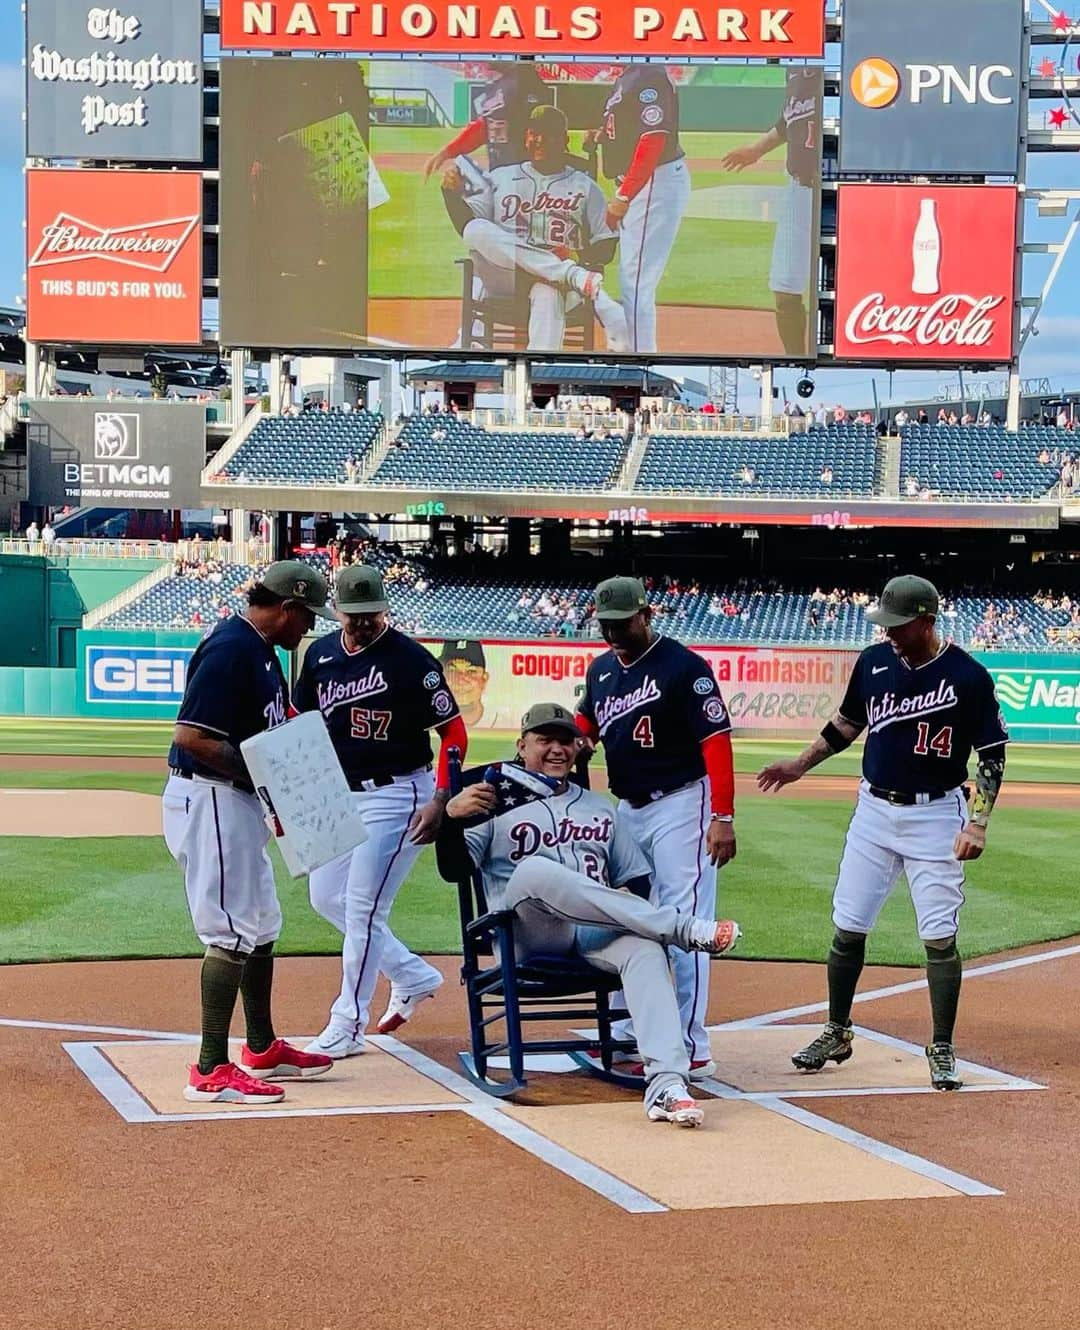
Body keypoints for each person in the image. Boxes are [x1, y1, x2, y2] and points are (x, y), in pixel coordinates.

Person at [757, 575, 1009, 1091]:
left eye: (899, 624)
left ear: (927, 621)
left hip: (936, 815)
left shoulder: (968, 677)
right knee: (847, 925)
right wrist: (800, 765)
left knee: (938, 936)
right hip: (873, 810)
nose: (889, 632)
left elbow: (992, 754)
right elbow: (845, 726)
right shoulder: (873, 662)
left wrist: (978, 822)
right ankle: (836, 1029)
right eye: (885, 623)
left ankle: (940, 1046)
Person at [444, 702, 740, 1127]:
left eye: (566, 740)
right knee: (537, 870)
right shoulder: (491, 801)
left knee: (643, 947)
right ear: (521, 746)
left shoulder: (600, 807)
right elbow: (454, 870)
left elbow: (635, 881)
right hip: (529, 934)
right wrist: (453, 820)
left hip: (592, 934)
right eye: (544, 740)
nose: (557, 749)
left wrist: (626, 915)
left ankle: (667, 1085)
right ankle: (682, 928)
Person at [163, 561, 339, 1104]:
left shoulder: (263, 652)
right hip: (212, 797)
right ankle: (210, 1068)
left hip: (238, 802)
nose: (309, 627)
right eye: (307, 616)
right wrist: (264, 777)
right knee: (230, 929)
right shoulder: (232, 648)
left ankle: (260, 1046)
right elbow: (191, 736)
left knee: (262, 923)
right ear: (285, 607)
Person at [294, 566, 468, 1056]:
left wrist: (440, 799)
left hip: (397, 793)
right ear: (337, 612)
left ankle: (347, 1023)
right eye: (355, 616)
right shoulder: (321, 655)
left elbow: (454, 734)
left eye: (372, 615)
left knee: (366, 907)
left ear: (383, 608)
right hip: (337, 792)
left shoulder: (412, 660)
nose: (364, 623)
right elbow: (299, 723)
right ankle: (411, 974)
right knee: (326, 897)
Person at [575, 577, 738, 1076]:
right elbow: (587, 727)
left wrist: (723, 817)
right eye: (605, 623)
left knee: (685, 920)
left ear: (647, 615)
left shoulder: (684, 667)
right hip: (629, 809)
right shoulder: (602, 671)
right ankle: (633, 1026)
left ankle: (691, 1043)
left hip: (682, 804)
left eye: (622, 622)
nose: (613, 632)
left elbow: (716, 741)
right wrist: (573, 742)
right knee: (632, 918)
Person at [441, 105, 629, 353]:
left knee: (548, 291)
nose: (539, 140)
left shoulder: (586, 186)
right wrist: (450, 194)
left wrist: (579, 257)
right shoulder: (500, 177)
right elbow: (468, 227)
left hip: (556, 285)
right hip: (507, 277)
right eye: (534, 133)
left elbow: (606, 245)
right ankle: (570, 273)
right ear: (526, 137)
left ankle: (539, 376)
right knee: (476, 228)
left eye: (549, 134)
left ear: (564, 140)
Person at [584, 64, 690, 354]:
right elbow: (629, 130)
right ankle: (631, 348)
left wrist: (623, 196)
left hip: (654, 181)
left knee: (637, 282)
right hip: (642, 183)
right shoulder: (627, 76)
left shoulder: (649, 76)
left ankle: (640, 360)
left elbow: (653, 139)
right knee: (632, 279)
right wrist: (602, 136)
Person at [720, 68, 824, 356]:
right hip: (798, 188)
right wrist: (757, 149)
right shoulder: (795, 72)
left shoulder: (843, 64)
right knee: (784, 290)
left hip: (841, 190)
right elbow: (789, 118)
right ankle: (795, 359)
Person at [423, 60, 554, 180]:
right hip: (502, 176)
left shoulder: (524, 76)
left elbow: (542, 125)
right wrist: (446, 152)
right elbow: (485, 128)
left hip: (526, 178)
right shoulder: (499, 83)